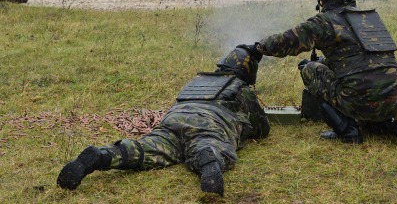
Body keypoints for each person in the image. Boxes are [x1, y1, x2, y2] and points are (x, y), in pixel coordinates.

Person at [57, 45, 270, 196]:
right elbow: (262, 128)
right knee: (211, 147)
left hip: (172, 121)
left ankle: (103, 155)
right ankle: (209, 159)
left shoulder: (197, 81)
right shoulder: (240, 88)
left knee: (144, 150)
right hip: (209, 124)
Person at [254, 0, 397, 144]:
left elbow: (286, 42)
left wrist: (258, 47)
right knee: (363, 79)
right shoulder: (369, 18)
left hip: (359, 102)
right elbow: (357, 60)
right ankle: (383, 124)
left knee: (309, 69)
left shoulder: (324, 22)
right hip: (392, 101)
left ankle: (348, 130)